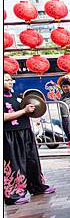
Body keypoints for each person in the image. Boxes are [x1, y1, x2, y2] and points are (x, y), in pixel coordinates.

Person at [3, 73, 55, 205]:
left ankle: (37, 187)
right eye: (6, 80)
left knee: (32, 160)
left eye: (11, 79)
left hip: (26, 132)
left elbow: (28, 111)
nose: (10, 82)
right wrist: (24, 111)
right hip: (9, 135)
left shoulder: (18, 96)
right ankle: (13, 195)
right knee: (15, 163)